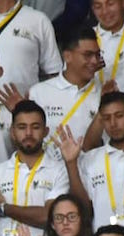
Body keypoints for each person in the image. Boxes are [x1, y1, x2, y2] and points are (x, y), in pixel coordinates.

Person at [0, 100, 69, 236]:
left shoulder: (59, 171)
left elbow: (49, 217)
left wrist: (4, 208)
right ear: (12, 132)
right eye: (22, 127)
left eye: (35, 127)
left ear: (46, 132)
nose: (28, 133)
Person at [60, 92, 124, 228]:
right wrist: (71, 163)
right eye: (107, 118)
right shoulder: (90, 159)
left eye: (119, 116)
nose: (113, 124)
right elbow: (82, 207)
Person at [28, 27, 102, 162]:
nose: (94, 61)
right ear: (67, 56)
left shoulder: (104, 94)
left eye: (97, 55)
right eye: (87, 55)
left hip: (89, 175)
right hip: (47, 177)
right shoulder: (38, 92)